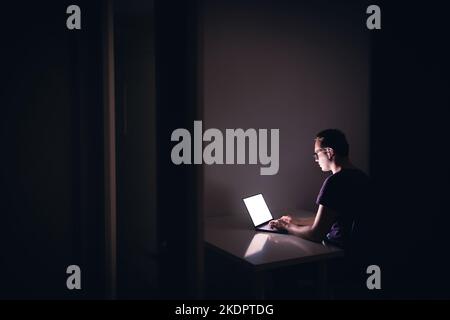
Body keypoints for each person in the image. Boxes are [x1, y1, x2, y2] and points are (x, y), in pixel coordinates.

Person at [270, 129, 370, 249]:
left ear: (329, 152)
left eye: (317, 154)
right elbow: (331, 219)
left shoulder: (334, 182)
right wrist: (297, 221)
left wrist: (287, 227)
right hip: (358, 250)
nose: (316, 159)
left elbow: (316, 234)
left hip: (336, 252)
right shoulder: (362, 177)